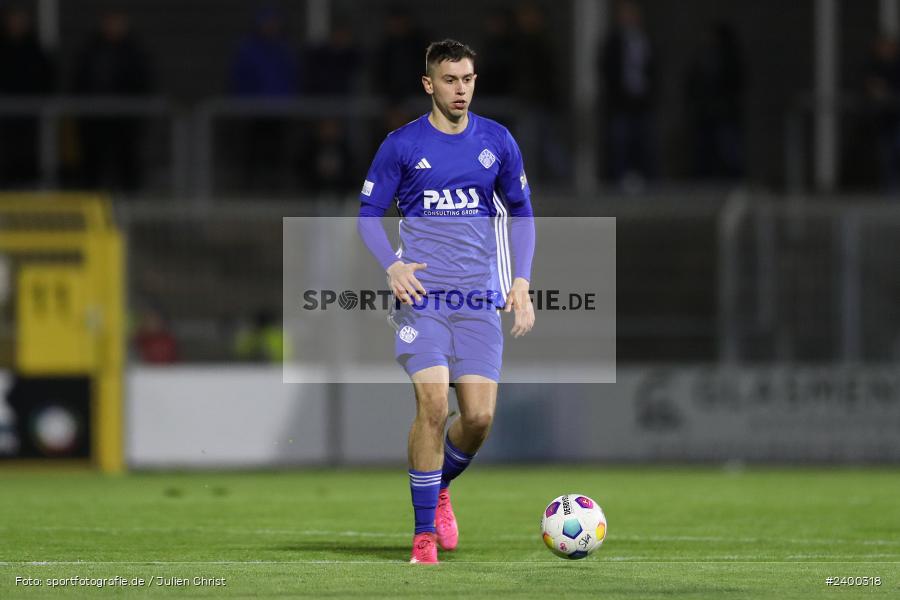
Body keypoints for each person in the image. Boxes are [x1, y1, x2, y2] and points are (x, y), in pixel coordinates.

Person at [357, 40, 536, 564]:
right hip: (423, 299)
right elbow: (368, 214)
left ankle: (437, 486)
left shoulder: (497, 142)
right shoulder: (401, 145)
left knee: (478, 419)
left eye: (469, 79)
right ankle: (423, 537)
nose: (461, 89)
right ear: (428, 84)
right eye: (451, 80)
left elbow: (521, 212)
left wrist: (520, 281)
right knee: (434, 405)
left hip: (478, 298)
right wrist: (392, 265)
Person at [73, 9, 153, 192]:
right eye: (109, 22)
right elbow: (79, 81)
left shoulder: (134, 52)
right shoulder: (91, 50)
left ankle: (131, 199)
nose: (113, 27)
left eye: (117, 22)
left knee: (126, 162)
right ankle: (91, 197)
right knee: (93, 163)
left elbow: (143, 82)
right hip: (93, 119)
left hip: (125, 120)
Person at [601, 0, 657, 189]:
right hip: (621, 103)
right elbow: (607, 68)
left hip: (641, 102)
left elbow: (653, 69)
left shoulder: (645, 40)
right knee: (620, 143)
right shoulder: (614, 41)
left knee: (645, 143)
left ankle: (647, 181)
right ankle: (619, 181)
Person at [0, 5, 54, 187]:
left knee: (27, 147)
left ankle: (27, 182)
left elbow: (46, 75)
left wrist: (42, 98)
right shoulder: (4, 47)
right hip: (5, 109)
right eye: (13, 21)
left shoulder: (34, 48)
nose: (16, 25)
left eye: (20, 21)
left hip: (30, 108)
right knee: (7, 146)